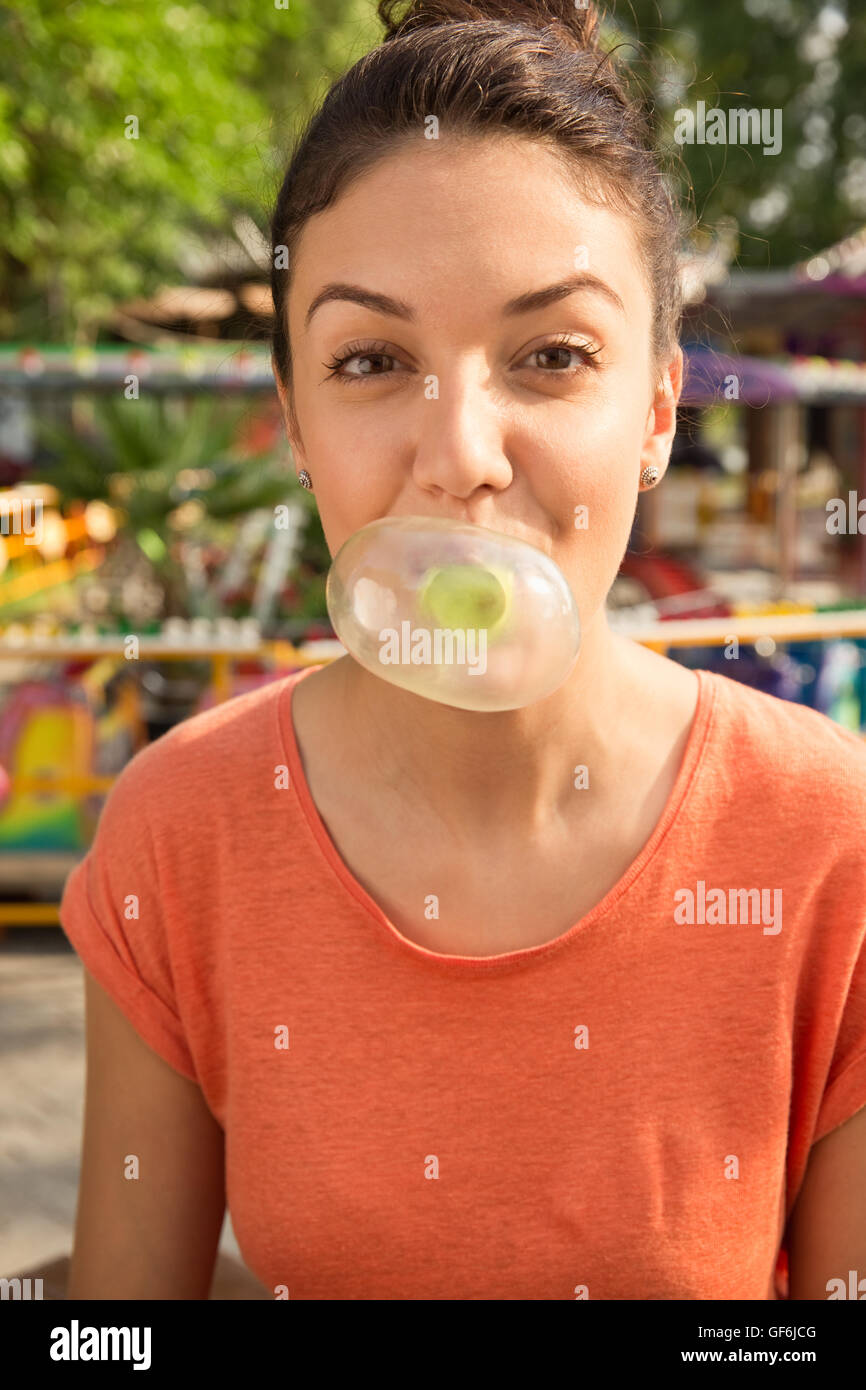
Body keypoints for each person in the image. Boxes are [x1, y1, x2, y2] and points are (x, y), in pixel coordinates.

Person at [60, 0, 866, 1300]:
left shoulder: (832, 846)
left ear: (657, 407)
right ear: (295, 419)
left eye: (551, 356)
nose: (460, 458)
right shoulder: (178, 837)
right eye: (372, 359)